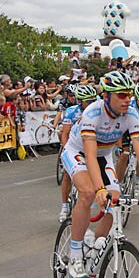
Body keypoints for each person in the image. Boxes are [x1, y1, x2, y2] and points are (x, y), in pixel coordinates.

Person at [60, 71, 139, 278]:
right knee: (88, 193)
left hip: (104, 154)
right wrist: (100, 189)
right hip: (77, 152)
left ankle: (93, 250)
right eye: (121, 95)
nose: (127, 99)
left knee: (115, 201)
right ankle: (75, 254)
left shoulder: (132, 115)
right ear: (106, 96)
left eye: (129, 94)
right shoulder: (93, 113)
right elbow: (90, 155)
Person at [58, 85, 98, 222]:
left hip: (89, 146)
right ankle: (64, 206)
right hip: (73, 145)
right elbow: (65, 133)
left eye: (94, 100)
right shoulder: (71, 111)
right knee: (67, 176)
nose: (92, 103)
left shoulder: (96, 112)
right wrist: (65, 150)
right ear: (80, 101)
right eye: (89, 101)